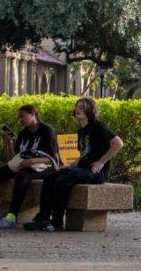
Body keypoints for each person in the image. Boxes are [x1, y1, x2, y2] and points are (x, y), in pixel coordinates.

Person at [24, 97, 123, 231]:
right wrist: (69, 166)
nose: (78, 109)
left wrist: (101, 161)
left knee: (63, 181)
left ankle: (57, 222)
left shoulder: (99, 126)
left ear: (91, 110)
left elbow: (118, 143)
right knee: (50, 177)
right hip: (81, 169)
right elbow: (83, 155)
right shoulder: (81, 131)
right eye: (77, 107)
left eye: (82, 107)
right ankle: (43, 217)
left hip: (96, 173)